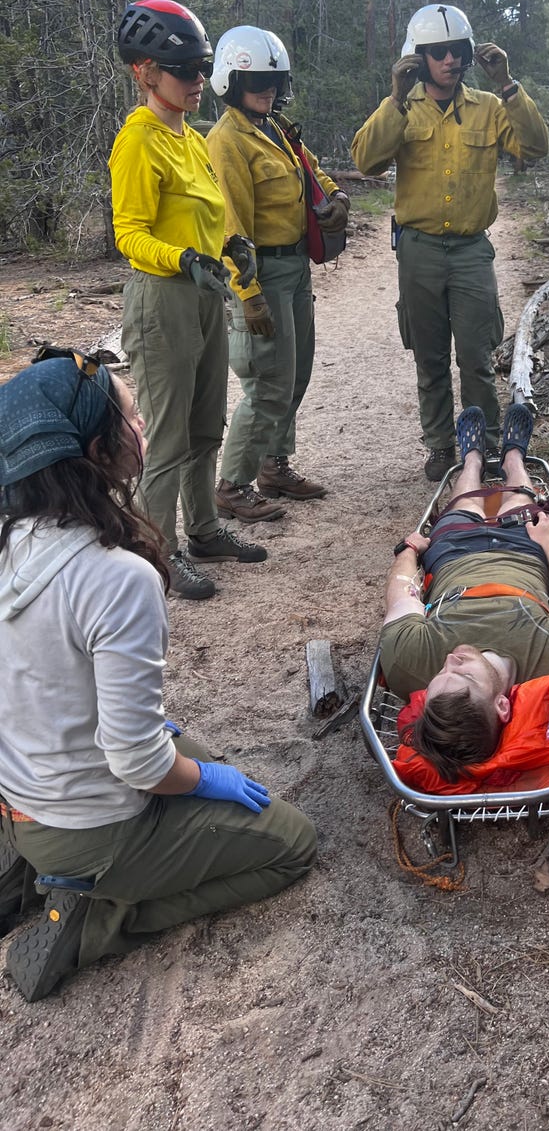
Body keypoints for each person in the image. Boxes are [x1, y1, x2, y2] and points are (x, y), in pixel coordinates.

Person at [0, 352, 317, 1002]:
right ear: (97, 449)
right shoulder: (116, 578)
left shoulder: (11, 541)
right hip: (86, 826)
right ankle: (101, 917)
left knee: (192, 758)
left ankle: (37, 867)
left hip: (21, 797)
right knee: (292, 841)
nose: (143, 424)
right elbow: (137, 759)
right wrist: (202, 777)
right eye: (132, 414)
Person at [351, 4, 549, 480]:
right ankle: (440, 446)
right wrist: (395, 99)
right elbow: (365, 160)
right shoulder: (403, 107)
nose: (450, 60)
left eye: (457, 51)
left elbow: (536, 147)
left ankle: (485, 445)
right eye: (438, 53)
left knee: (477, 356)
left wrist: (508, 84)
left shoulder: (489, 106)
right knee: (430, 355)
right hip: (418, 249)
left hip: (470, 250)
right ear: (418, 58)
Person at [111, 0, 266, 600]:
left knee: (206, 424)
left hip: (204, 294)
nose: (199, 81)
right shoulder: (138, 140)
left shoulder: (192, 139)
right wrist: (184, 259)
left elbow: (208, 220)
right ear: (145, 72)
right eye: (185, 71)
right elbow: (130, 234)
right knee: (170, 435)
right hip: (163, 300)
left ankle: (203, 531)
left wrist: (232, 247)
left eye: (202, 68)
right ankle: (160, 553)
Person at [380, 401, 549, 782]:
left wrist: (410, 551)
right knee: (517, 501)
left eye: (438, 680)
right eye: (464, 676)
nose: (451, 662)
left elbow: (403, 596)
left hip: (452, 556)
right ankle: (514, 458)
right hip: (523, 552)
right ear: (502, 705)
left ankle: (473, 462)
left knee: (466, 502)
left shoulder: (407, 663)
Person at [207, 25, 350, 521]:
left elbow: (314, 173)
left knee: (296, 372)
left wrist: (337, 198)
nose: (267, 89)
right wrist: (247, 293)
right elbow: (230, 226)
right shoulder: (228, 140)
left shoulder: (276, 128)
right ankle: (230, 484)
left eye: (273, 80)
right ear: (231, 82)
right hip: (261, 270)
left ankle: (273, 463)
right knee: (268, 379)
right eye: (255, 81)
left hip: (294, 267)